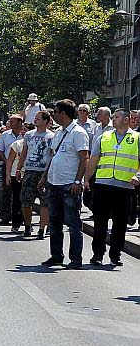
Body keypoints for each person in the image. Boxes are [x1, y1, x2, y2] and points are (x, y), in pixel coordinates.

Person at [39, 99, 90, 268]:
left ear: (63, 113)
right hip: (54, 183)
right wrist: (44, 177)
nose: (53, 115)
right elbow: (53, 156)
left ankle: (76, 259)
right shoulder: (59, 133)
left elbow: (84, 158)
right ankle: (56, 255)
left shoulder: (78, 132)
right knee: (54, 222)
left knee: (73, 224)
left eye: (55, 112)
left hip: (69, 184)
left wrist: (77, 181)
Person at [84, 107, 138, 267]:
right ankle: (97, 254)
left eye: (117, 117)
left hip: (125, 187)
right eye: (113, 117)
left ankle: (115, 254)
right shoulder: (104, 137)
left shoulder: (137, 138)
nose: (113, 119)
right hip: (102, 185)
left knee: (120, 223)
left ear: (127, 119)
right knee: (100, 222)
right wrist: (86, 179)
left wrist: (138, 176)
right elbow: (93, 159)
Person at [15, 110, 52, 239]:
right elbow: (24, 152)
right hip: (30, 171)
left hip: (44, 172)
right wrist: (19, 169)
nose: (35, 120)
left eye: (38, 118)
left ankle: (42, 228)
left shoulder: (52, 136)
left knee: (45, 202)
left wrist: (47, 173)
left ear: (46, 121)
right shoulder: (29, 135)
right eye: (35, 118)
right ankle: (27, 225)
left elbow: (52, 155)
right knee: (25, 201)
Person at [0, 114, 23, 226]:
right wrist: (7, 161)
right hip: (8, 166)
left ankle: (20, 216)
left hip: (22, 168)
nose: (10, 123)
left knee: (20, 193)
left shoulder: (25, 135)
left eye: (13, 121)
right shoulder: (5, 135)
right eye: (10, 121)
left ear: (20, 122)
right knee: (7, 191)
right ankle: (5, 215)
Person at [5, 125, 26, 233]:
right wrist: (8, 175)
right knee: (17, 200)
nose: (23, 132)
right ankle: (15, 223)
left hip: (29, 174)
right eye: (22, 130)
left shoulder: (34, 144)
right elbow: (10, 160)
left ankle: (27, 223)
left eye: (26, 130)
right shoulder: (17, 144)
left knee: (27, 201)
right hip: (15, 175)